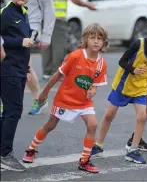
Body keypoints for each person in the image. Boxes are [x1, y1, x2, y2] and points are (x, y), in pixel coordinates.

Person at [91, 0, 147, 163]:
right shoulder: (138, 43)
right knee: (110, 114)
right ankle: (98, 144)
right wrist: (133, 69)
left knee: (142, 116)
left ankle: (133, 150)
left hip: (140, 86)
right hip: (124, 84)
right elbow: (121, 61)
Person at [22, 23, 108, 173]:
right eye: (92, 37)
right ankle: (31, 149)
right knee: (50, 125)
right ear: (85, 39)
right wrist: (44, 93)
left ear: (103, 42)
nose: (95, 41)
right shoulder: (75, 56)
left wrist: (93, 91)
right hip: (65, 99)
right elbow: (57, 75)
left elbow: (95, 84)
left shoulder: (101, 63)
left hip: (84, 102)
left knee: (93, 125)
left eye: (99, 38)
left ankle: (84, 160)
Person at [1, 0, 56, 116]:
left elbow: (48, 7)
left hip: (29, 26)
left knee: (24, 64)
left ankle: (38, 98)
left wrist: (46, 36)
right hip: (9, 23)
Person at [42, 0, 96, 80]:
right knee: (59, 45)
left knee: (46, 45)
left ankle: (46, 72)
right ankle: (56, 72)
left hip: (44, 18)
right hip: (58, 18)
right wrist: (88, 5)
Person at [0, 0, 34, 172]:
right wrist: (19, 42)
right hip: (7, 69)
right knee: (13, 112)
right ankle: (5, 153)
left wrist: (28, 68)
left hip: (19, 69)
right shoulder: (5, 13)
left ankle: (3, 150)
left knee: (8, 113)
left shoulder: (23, 11)